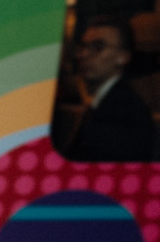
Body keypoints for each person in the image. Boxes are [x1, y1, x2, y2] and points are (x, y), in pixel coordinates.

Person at [62, 15, 155, 162]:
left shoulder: (124, 107)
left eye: (98, 47)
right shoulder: (105, 102)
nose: (84, 55)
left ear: (123, 57)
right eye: (83, 47)